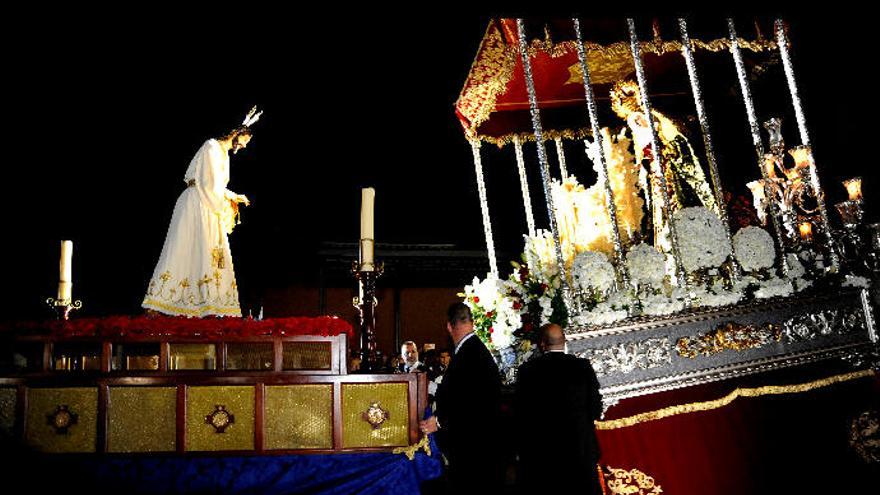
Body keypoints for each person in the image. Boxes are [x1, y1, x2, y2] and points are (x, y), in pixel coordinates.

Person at [142, 107, 262, 318]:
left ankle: (207, 303)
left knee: (206, 251)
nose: (244, 145)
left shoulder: (223, 154)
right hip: (196, 201)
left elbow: (214, 185)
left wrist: (232, 196)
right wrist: (231, 197)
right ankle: (161, 302)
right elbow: (208, 184)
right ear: (237, 132)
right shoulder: (211, 147)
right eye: (245, 140)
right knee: (183, 248)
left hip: (206, 203)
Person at [419, 303, 503, 492]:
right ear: (471, 322)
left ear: (449, 326)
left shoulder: (469, 353)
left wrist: (439, 421)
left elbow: (472, 403)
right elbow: (459, 391)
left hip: (474, 447)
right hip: (477, 444)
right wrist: (433, 388)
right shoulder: (472, 348)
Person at [514, 323, 604, 495]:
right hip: (580, 452)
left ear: (542, 344)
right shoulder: (582, 367)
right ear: (564, 340)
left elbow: (521, 416)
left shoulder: (527, 371)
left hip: (544, 456)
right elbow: (595, 408)